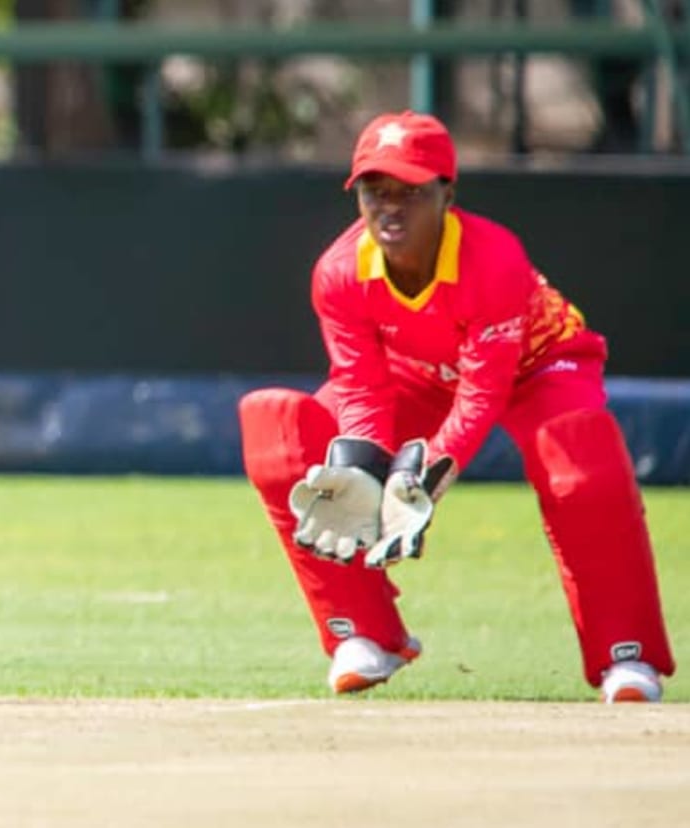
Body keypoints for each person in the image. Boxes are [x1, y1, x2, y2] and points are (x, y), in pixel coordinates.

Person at [237, 111, 674, 703]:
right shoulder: (340, 273)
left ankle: (628, 655)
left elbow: (483, 393)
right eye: (375, 190)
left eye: (411, 192)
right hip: (417, 374)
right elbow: (361, 384)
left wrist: (420, 479)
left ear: (448, 194)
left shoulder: (493, 259)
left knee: (579, 456)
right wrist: (365, 469)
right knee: (278, 430)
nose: (390, 208)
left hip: (539, 365)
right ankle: (365, 634)